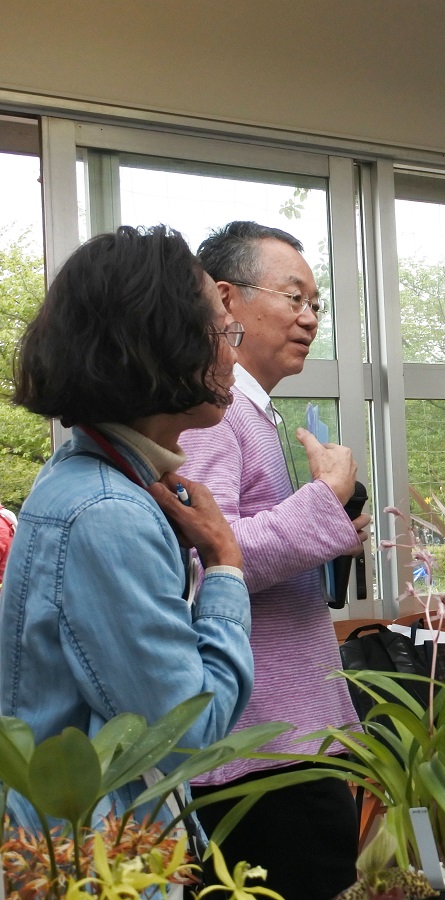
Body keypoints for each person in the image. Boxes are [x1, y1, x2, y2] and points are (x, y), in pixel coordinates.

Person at [0, 225, 252, 829]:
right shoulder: (107, 512)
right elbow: (186, 731)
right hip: (93, 866)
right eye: (223, 331)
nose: (233, 353)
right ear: (163, 342)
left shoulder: (90, 480)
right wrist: (224, 565)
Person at [178, 222, 369, 900]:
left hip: (284, 742)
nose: (310, 317)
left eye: (316, 302)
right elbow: (207, 564)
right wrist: (323, 505)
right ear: (224, 301)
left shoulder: (259, 415)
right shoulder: (216, 416)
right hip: (258, 753)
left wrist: (333, 522)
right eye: (293, 297)